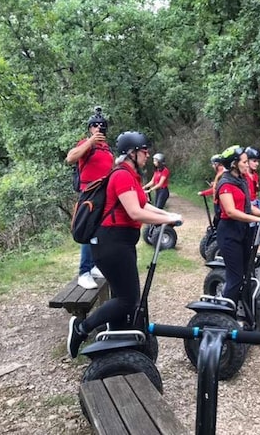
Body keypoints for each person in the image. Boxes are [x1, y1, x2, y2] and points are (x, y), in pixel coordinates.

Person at [66, 131, 182, 358]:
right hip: (111, 245)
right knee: (129, 300)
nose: (147, 155)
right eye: (144, 151)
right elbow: (135, 212)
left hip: (119, 244)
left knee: (121, 296)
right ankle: (81, 328)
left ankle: (116, 338)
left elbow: (144, 205)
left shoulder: (130, 175)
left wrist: (168, 214)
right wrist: (168, 219)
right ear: (131, 152)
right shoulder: (121, 175)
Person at [215, 145, 260, 305]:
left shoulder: (241, 180)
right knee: (235, 277)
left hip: (242, 231)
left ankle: (241, 308)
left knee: (245, 273)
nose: (247, 164)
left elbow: (248, 207)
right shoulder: (225, 183)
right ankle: (226, 313)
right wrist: (259, 220)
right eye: (244, 161)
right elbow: (231, 212)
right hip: (229, 233)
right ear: (234, 164)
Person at [65, 107, 114, 290]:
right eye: (94, 126)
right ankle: (83, 272)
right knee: (87, 231)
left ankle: (94, 267)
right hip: (89, 193)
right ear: (90, 128)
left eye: (101, 126)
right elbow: (70, 158)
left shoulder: (107, 149)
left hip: (104, 194)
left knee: (99, 233)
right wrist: (90, 141)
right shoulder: (86, 144)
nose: (98, 129)